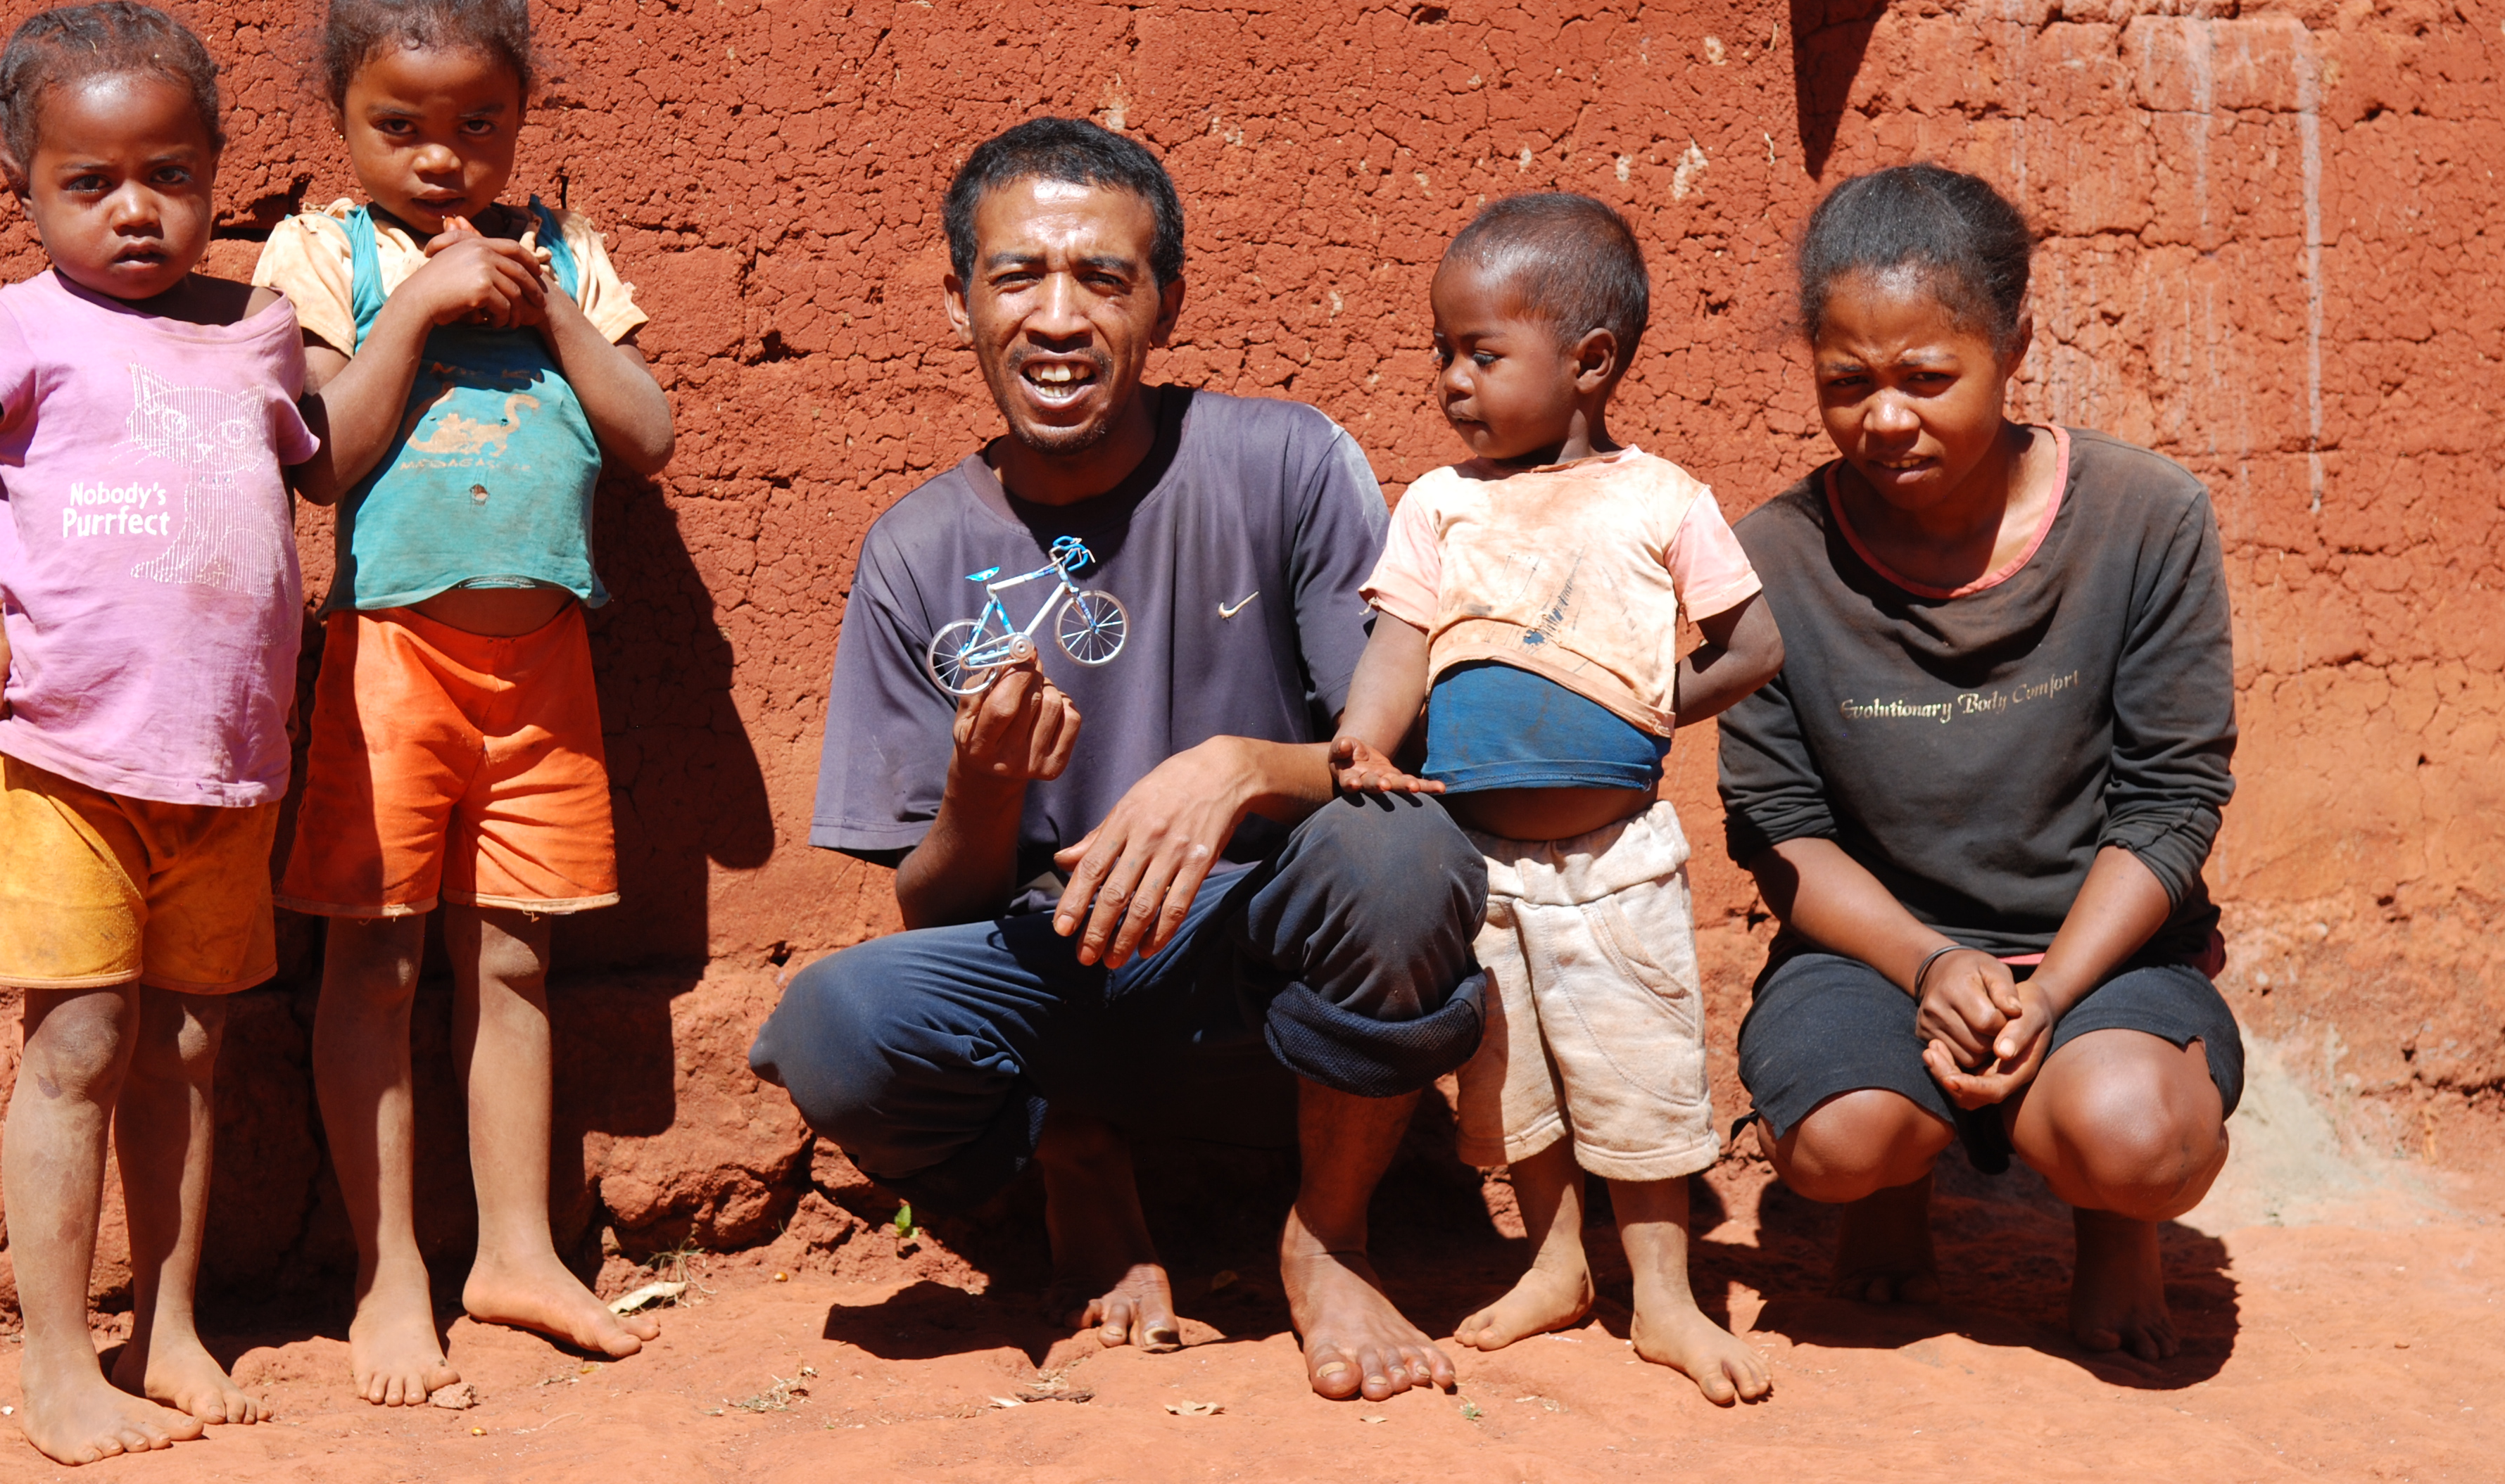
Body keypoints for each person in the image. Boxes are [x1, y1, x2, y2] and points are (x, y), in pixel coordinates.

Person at [750, 116, 1490, 1404]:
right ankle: (1077, 1161)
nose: (1057, 318)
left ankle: (1329, 1235)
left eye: (1103, 278)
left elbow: (1397, 758)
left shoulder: (1282, 463)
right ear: (958, 301)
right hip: (1058, 986)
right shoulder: (916, 554)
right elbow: (934, 912)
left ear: (1166, 305)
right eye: (1017, 277)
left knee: (1404, 858)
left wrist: (1243, 768)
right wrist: (986, 787)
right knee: (833, 1026)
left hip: (1267, 979)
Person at [0, 1, 327, 1461]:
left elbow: (333, 465)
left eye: (170, 174)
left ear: (218, 170)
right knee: (79, 1046)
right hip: (72, 762)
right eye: (89, 182)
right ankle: (53, 1362)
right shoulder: (16, 328)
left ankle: (167, 1329)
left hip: (227, 766)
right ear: (22, 189)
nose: (135, 209)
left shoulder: (259, 331)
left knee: (189, 1051)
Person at [250, 0, 675, 1407]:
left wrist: (549, 307)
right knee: (374, 963)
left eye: (479, 124)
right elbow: (325, 459)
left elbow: (648, 434)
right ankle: (388, 1275)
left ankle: (515, 1253)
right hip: (392, 663)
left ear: (523, 112)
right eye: (400, 125)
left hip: (544, 668)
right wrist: (425, 302)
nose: (442, 158)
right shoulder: (323, 254)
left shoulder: (565, 253)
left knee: (512, 960)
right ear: (339, 116)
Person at [1719, 164, 2242, 1362]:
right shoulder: (1773, 558)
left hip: (2104, 956)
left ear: (2014, 347)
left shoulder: (2146, 517)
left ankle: (2115, 1227)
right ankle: (1894, 1188)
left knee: (2138, 1139)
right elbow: (1778, 825)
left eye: (1926, 378)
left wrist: (2048, 991)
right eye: (1846, 383)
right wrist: (1930, 961)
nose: (1884, 419)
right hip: (1877, 954)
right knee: (1838, 1142)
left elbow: (2171, 802)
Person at [1327, 193, 1779, 1404]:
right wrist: (1364, 740)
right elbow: (1399, 642)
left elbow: (1754, 646)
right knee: (1513, 1082)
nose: (1450, 380)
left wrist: (1648, 708)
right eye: (1442, 351)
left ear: (1590, 363)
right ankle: (1557, 1266)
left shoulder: (1661, 498)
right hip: (1480, 862)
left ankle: (1667, 1300)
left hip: (1616, 857)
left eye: (1481, 353)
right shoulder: (1441, 503)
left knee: (1636, 1074)